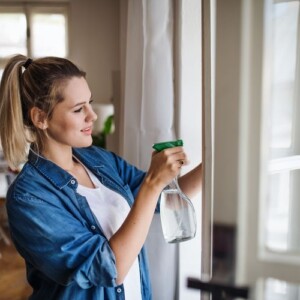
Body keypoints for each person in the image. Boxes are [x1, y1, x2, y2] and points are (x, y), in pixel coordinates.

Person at [0, 54, 202, 300]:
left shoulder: (99, 160)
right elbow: (108, 268)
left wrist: (215, 163)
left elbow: (163, 196)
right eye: (78, 109)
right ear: (40, 118)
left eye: (89, 103)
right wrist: (152, 183)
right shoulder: (29, 197)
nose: (92, 115)